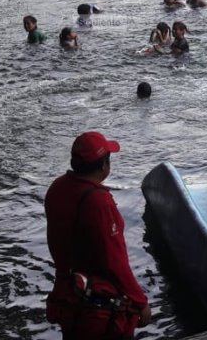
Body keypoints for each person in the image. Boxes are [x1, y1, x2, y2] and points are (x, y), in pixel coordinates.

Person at [44, 132, 151, 339]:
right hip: (98, 309)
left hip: (69, 294)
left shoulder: (58, 187)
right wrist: (140, 301)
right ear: (104, 166)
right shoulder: (99, 202)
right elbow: (115, 261)